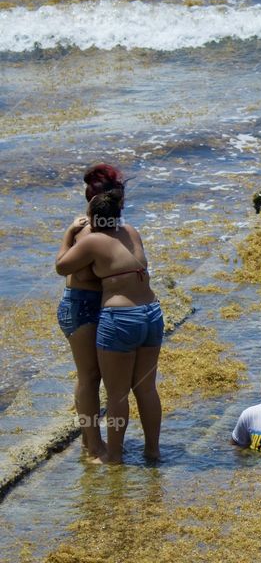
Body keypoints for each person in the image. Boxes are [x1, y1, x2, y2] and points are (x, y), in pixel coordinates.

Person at [55, 184, 164, 464]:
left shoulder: (90, 241)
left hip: (120, 317)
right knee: (146, 388)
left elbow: (61, 266)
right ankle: (152, 451)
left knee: (116, 394)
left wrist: (69, 232)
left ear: (92, 217)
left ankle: (112, 456)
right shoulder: (131, 233)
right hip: (151, 312)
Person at [56, 164, 125, 459]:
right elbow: (79, 275)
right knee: (89, 377)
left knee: (94, 376)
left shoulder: (101, 225)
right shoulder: (88, 229)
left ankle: (90, 441)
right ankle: (92, 443)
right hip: (81, 305)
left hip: (92, 305)